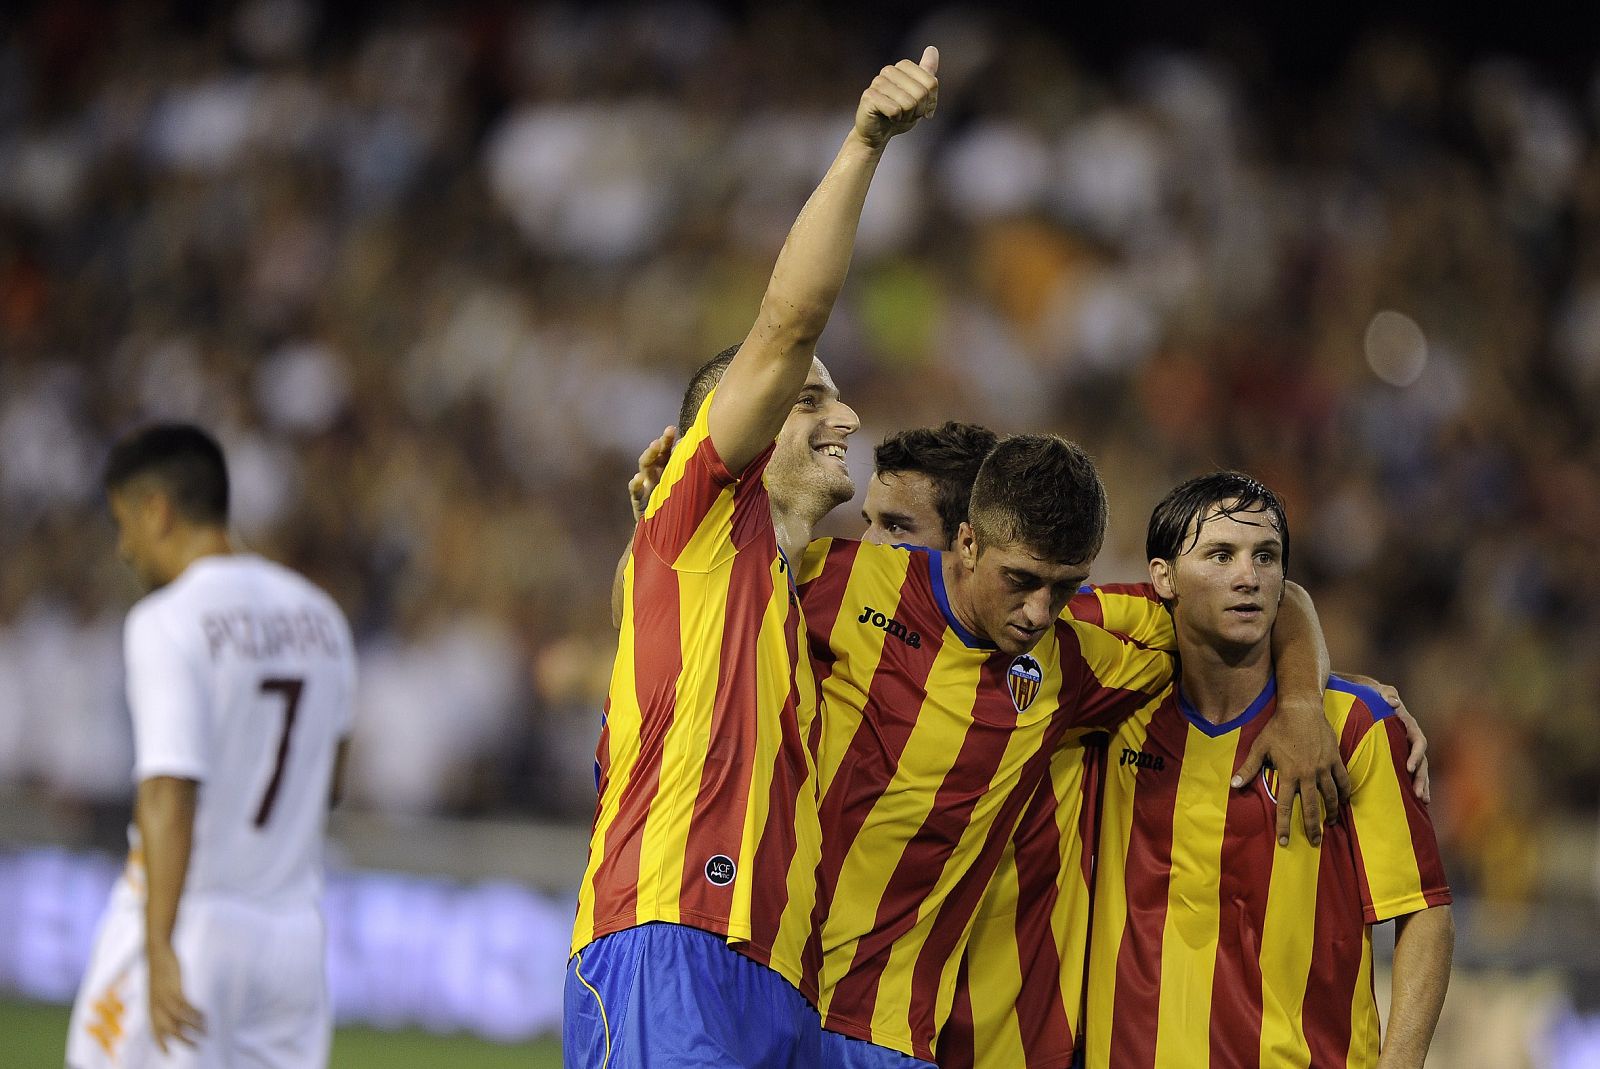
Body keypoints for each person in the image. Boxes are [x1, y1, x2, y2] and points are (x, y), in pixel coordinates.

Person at [565, 48, 939, 1069]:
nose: (844, 415)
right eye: (808, 399)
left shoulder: (777, 590)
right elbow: (784, 323)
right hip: (669, 935)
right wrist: (864, 144)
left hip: (776, 980)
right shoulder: (698, 520)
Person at [1084, 471, 1453, 1069]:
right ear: (1163, 577)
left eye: (1267, 557)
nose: (1248, 577)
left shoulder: (1356, 725)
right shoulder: (1117, 707)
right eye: (1221, 554)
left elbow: (1424, 912)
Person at [67, 423, 356, 1069]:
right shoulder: (322, 616)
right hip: (292, 939)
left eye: (123, 522)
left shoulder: (167, 620)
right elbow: (330, 782)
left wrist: (160, 944)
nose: (122, 548)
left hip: (192, 917)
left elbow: (169, 789)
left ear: (156, 509)